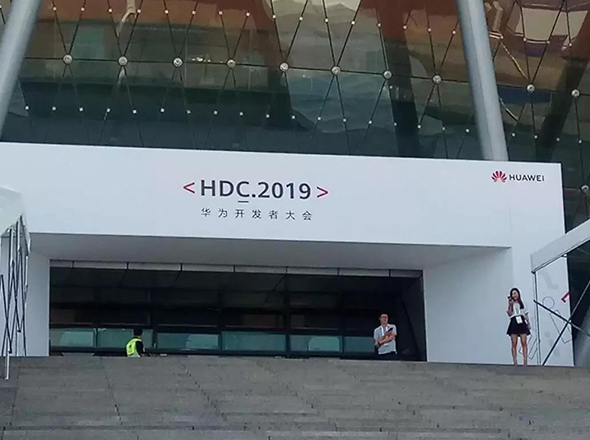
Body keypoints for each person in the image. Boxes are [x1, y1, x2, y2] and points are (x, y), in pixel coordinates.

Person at [506, 287, 530, 366]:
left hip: (522, 322)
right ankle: (515, 361)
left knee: (524, 342)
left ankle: (525, 360)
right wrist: (510, 305)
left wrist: (528, 323)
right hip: (514, 321)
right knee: (514, 343)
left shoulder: (523, 303)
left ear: (518, 294)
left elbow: (526, 314)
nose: (514, 295)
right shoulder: (511, 303)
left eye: (515, 293)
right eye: (513, 294)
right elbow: (509, 314)